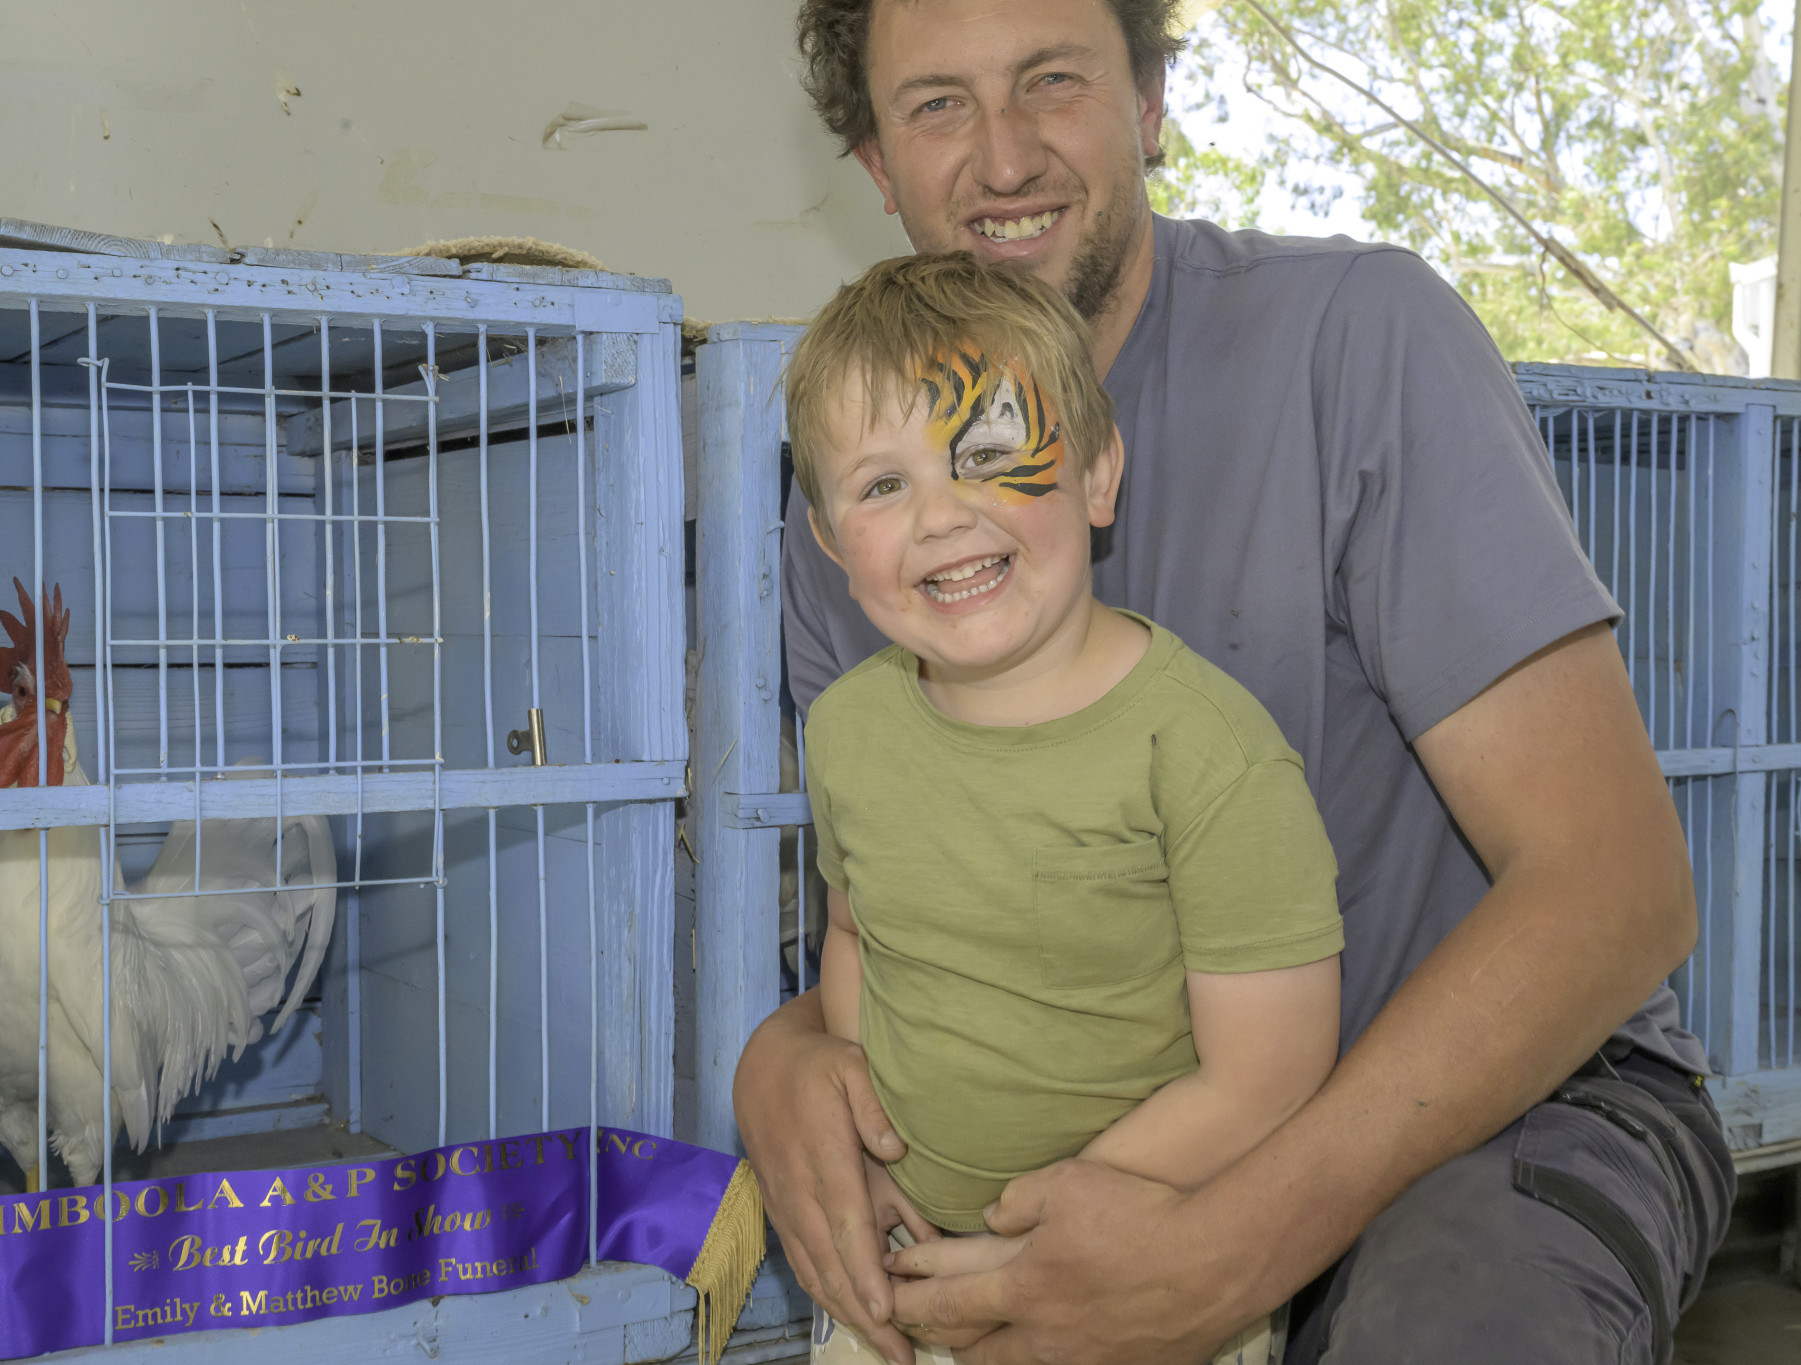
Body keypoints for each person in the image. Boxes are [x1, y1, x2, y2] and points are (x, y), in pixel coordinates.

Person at [731, 2, 1736, 1363]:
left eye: (1054, 82)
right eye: (939, 106)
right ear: (875, 167)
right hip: (1101, 1149)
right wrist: (780, 1057)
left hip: (1498, 1102)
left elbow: (1619, 885)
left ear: (1149, 104)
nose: (1006, 155)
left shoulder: (1359, 343)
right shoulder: (856, 508)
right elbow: (906, 910)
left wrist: (1225, 1253)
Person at [785, 252, 1345, 1365]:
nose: (940, 518)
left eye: (989, 456)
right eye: (882, 485)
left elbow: (1269, 1073)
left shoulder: (1205, 753)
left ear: (1096, 477)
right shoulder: (844, 730)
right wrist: (864, 1145)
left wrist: (1038, 1239)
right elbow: (857, 936)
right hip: (903, 1270)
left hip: (1144, 1279)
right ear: (828, 543)